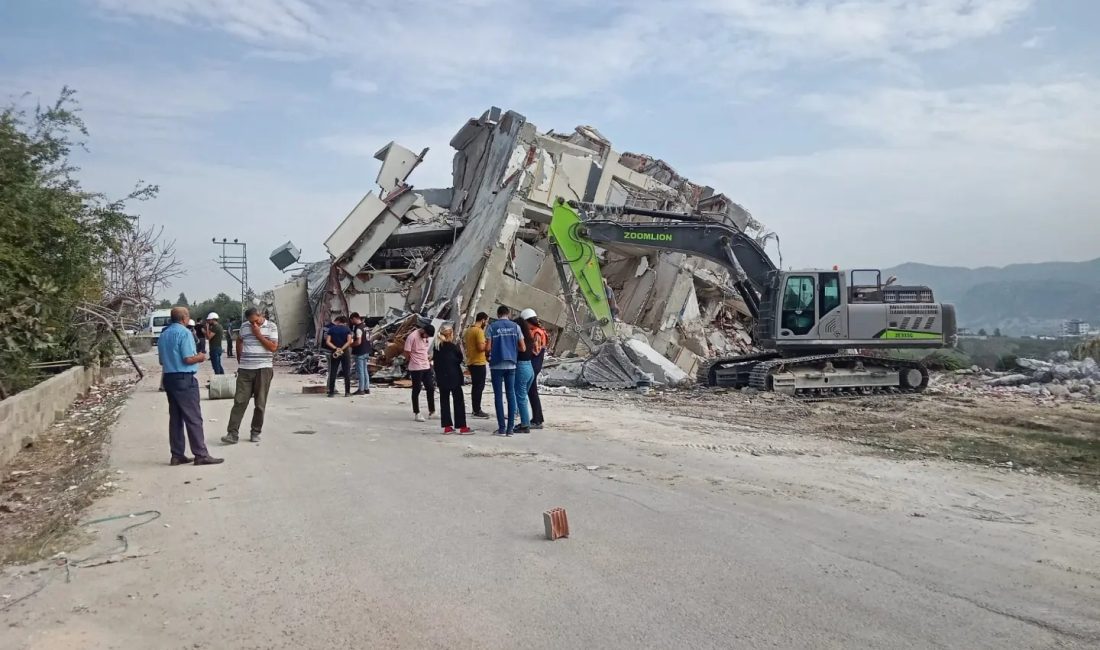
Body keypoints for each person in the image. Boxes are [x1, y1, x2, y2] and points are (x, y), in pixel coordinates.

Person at [158, 306, 223, 466]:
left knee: (176, 418)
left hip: (169, 378)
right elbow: (188, 359)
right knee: (193, 417)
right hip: (184, 378)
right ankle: (201, 454)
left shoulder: (164, 334)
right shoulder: (184, 333)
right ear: (184, 318)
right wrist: (200, 357)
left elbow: (161, 361)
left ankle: (177, 454)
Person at [222, 308, 279, 445]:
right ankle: (232, 433)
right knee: (240, 401)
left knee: (260, 403)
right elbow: (240, 341)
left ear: (261, 316)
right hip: (245, 370)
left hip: (263, 369)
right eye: (251, 322)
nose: (253, 324)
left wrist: (258, 334)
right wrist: (240, 358)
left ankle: (255, 431)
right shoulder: (244, 326)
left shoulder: (271, 326)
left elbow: (273, 347)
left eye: (256, 321)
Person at [485, 305, 525, 436]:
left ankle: (501, 428)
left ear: (498, 314)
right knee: (510, 395)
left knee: (498, 396)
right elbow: (523, 348)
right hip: (511, 364)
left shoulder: (492, 327)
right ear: (508, 314)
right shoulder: (516, 327)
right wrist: (511, 347)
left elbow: (488, 348)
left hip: (496, 365)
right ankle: (510, 429)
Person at [432, 324, 473, 435]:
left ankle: (447, 427)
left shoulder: (437, 347)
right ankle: (462, 427)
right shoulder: (452, 347)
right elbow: (459, 359)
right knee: (458, 401)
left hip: (441, 378)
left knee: (444, 401)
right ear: (450, 334)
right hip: (454, 377)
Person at [522, 308, 549, 430]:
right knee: (531, 392)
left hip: (534, 363)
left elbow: (535, 351)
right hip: (535, 363)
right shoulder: (538, 331)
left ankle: (537, 419)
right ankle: (537, 418)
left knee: (532, 392)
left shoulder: (537, 332)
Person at [404, 323, 436, 422]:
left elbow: (425, 349)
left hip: (426, 365)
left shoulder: (426, 337)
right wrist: (411, 360)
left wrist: (428, 357)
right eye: (426, 335)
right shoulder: (412, 337)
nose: (426, 337)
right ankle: (417, 412)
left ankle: (432, 410)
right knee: (416, 389)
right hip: (416, 367)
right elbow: (407, 352)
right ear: (423, 331)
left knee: (430, 387)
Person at [463, 312, 490, 418]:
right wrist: (489, 344)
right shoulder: (479, 331)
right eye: (486, 321)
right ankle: (477, 410)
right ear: (483, 320)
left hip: (471, 361)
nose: (486, 324)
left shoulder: (469, 330)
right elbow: (481, 348)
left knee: (475, 386)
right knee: (479, 387)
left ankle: (475, 409)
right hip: (479, 362)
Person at [512, 316, 535, 434]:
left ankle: (525, 425)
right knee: (523, 396)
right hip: (529, 367)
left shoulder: (520, 339)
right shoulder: (529, 338)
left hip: (521, 367)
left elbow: (521, 349)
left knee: (521, 397)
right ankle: (525, 421)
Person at [325, 315, 353, 397]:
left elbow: (328, 341)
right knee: (346, 372)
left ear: (338, 321)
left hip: (334, 352)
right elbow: (349, 341)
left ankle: (331, 393)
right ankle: (347, 392)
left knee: (333, 372)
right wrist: (342, 349)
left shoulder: (331, 329)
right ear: (344, 322)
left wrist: (336, 348)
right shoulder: (347, 329)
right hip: (345, 352)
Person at [349, 312, 372, 395]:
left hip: (360, 351)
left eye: (352, 320)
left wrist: (350, 345)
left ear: (355, 318)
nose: (351, 322)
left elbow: (358, 342)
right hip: (367, 350)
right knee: (365, 370)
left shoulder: (358, 328)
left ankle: (361, 389)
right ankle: (367, 388)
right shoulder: (366, 327)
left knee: (360, 371)